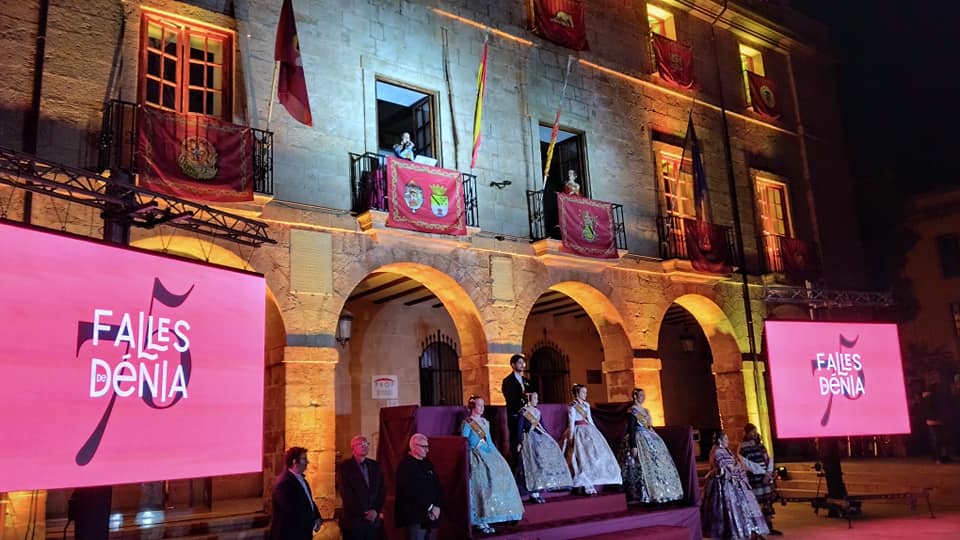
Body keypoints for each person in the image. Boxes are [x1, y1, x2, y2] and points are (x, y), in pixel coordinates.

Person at [461, 396, 524, 534]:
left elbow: (489, 442)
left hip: (487, 453)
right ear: (472, 407)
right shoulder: (467, 423)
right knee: (481, 485)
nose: (482, 408)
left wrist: (497, 457)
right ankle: (479, 520)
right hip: (475, 455)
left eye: (483, 405)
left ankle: (491, 516)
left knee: (500, 473)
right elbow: (463, 442)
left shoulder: (485, 422)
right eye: (479, 405)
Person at [619, 388, 683, 504]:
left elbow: (649, 426)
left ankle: (662, 491)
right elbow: (631, 429)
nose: (643, 397)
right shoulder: (632, 411)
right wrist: (633, 445)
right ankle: (642, 493)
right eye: (640, 395)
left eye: (644, 395)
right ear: (635, 396)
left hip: (650, 437)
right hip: (638, 439)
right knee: (640, 466)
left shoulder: (646, 411)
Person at [701, 431, 769, 540]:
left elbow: (735, 463)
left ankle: (751, 531)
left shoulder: (724, 450)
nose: (728, 441)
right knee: (729, 508)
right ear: (720, 440)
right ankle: (733, 532)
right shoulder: (718, 451)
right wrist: (738, 469)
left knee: (743, 506)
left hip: (734, 481)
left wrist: (739, 467)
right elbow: (727, 468)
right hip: (725, 483)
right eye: (726, 439)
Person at [562, 384, 622, 495]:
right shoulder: (573, 406)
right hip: (578, 431)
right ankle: (584, 484)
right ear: (577, 393)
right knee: (581, 458)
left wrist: (596, 432)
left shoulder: (586, 405)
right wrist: (571, 437)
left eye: (586, 392)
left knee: (592, 456)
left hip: (588, 430)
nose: (585, 394)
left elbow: (590, 419)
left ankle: (592, 481)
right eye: (583, 392)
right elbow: (571, 422)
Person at [516, 391, 572, 503]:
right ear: (529, 400)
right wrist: (519, 442)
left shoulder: (537, 412)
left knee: (539, 465)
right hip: (528, 440)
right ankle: (532, 493)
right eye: (535, 398)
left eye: (537, 398)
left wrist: (549, 438)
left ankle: (538, 492)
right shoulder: (524, 412)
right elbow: (519, 428)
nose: (537, 400)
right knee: (531, 466)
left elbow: (543, 427)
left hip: (538, 440)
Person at [336, 435, 385, 540]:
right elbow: (346, 493)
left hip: (373, 521)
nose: (365, 446)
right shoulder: (345, 467)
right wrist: (363, 513)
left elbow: (381, 490)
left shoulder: (375, 465)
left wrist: (375, 510)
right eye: (361, 444)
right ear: (353, 448)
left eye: (366, 444)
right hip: (354, 520)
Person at [396, 433, 442, 540]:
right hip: (416, 517)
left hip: (433, 517)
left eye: (427, 446)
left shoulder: (427, 463)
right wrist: (430, 507)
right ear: (414, 446)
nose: (427, 450)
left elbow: (437, 486)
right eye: (424, 447)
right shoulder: (406, 466)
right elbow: (411, 492)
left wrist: (437, 506)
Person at [270, 446, 323, 540]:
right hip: (290, 535)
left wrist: (317, 517)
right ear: (295, 462)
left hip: (302, 533)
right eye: (304, 459)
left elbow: (309, 502)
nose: (307, 462)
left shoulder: (302, 480)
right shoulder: (284, 483)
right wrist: (313, 524)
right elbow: (292, 511)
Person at [738, 424, 782, 535]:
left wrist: (769, 473)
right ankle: (757, 529)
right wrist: (762, 472)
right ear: (746, 433)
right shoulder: (743, 447)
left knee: (767, 502)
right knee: (757, 504)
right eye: (752, 432)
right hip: (755, 479)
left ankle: (769, 526)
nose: (754, 434)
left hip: (766, 479)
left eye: (755, 431)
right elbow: (746, 463)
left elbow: (768, 458)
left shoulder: (761, 446)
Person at [501, 353, 532, 464]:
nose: (522, 365)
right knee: (516, 440)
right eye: (519, 362)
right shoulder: (508, 381)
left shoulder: (526, 381)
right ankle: (517, 466)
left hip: (527, 415)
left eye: (523, 362)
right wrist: (521, 408)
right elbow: (510, 399)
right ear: (513, 365)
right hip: (515, 415)